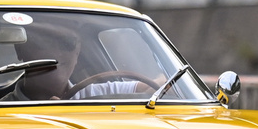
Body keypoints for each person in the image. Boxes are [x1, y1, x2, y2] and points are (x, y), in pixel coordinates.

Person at [14, 23, 155, 100]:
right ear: (20, 49)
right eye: (44, 42)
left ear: (78, 52)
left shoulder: (96, 95)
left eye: (67, 43)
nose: (56, 53)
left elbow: (160, 88)